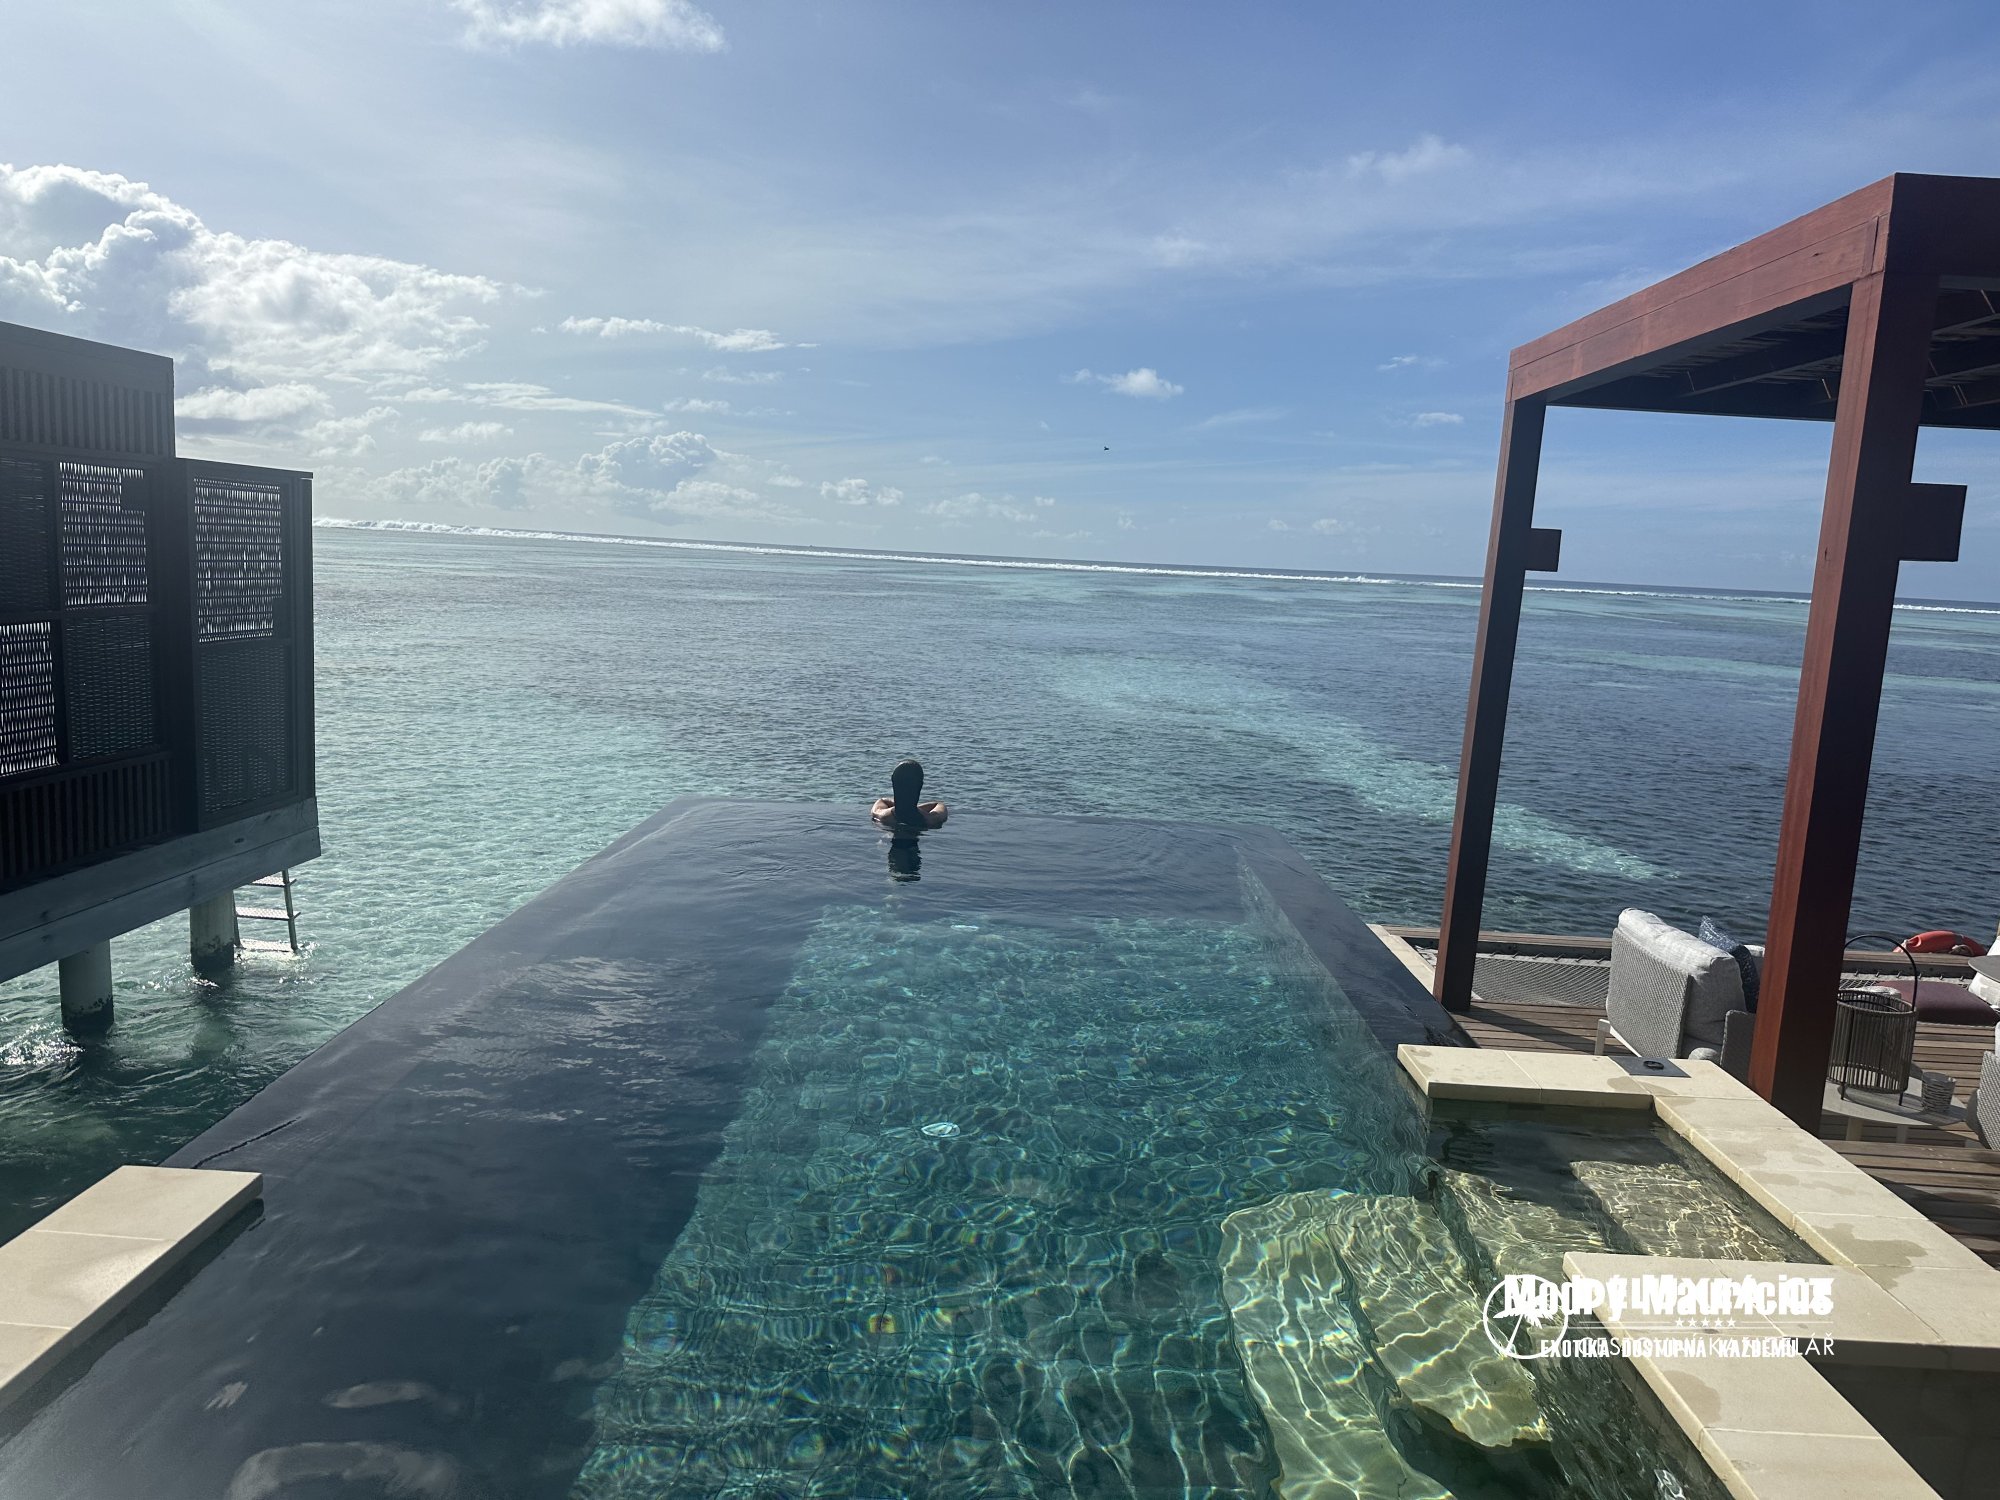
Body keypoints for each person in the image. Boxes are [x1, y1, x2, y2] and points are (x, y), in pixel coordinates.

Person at [872, 758, 948, 830]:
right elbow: (939, 805)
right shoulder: (932, 819)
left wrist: (901, 805)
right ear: (920, 785)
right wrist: (913, 807)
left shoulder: (881, 816)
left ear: (893, 782)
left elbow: (882, 801)